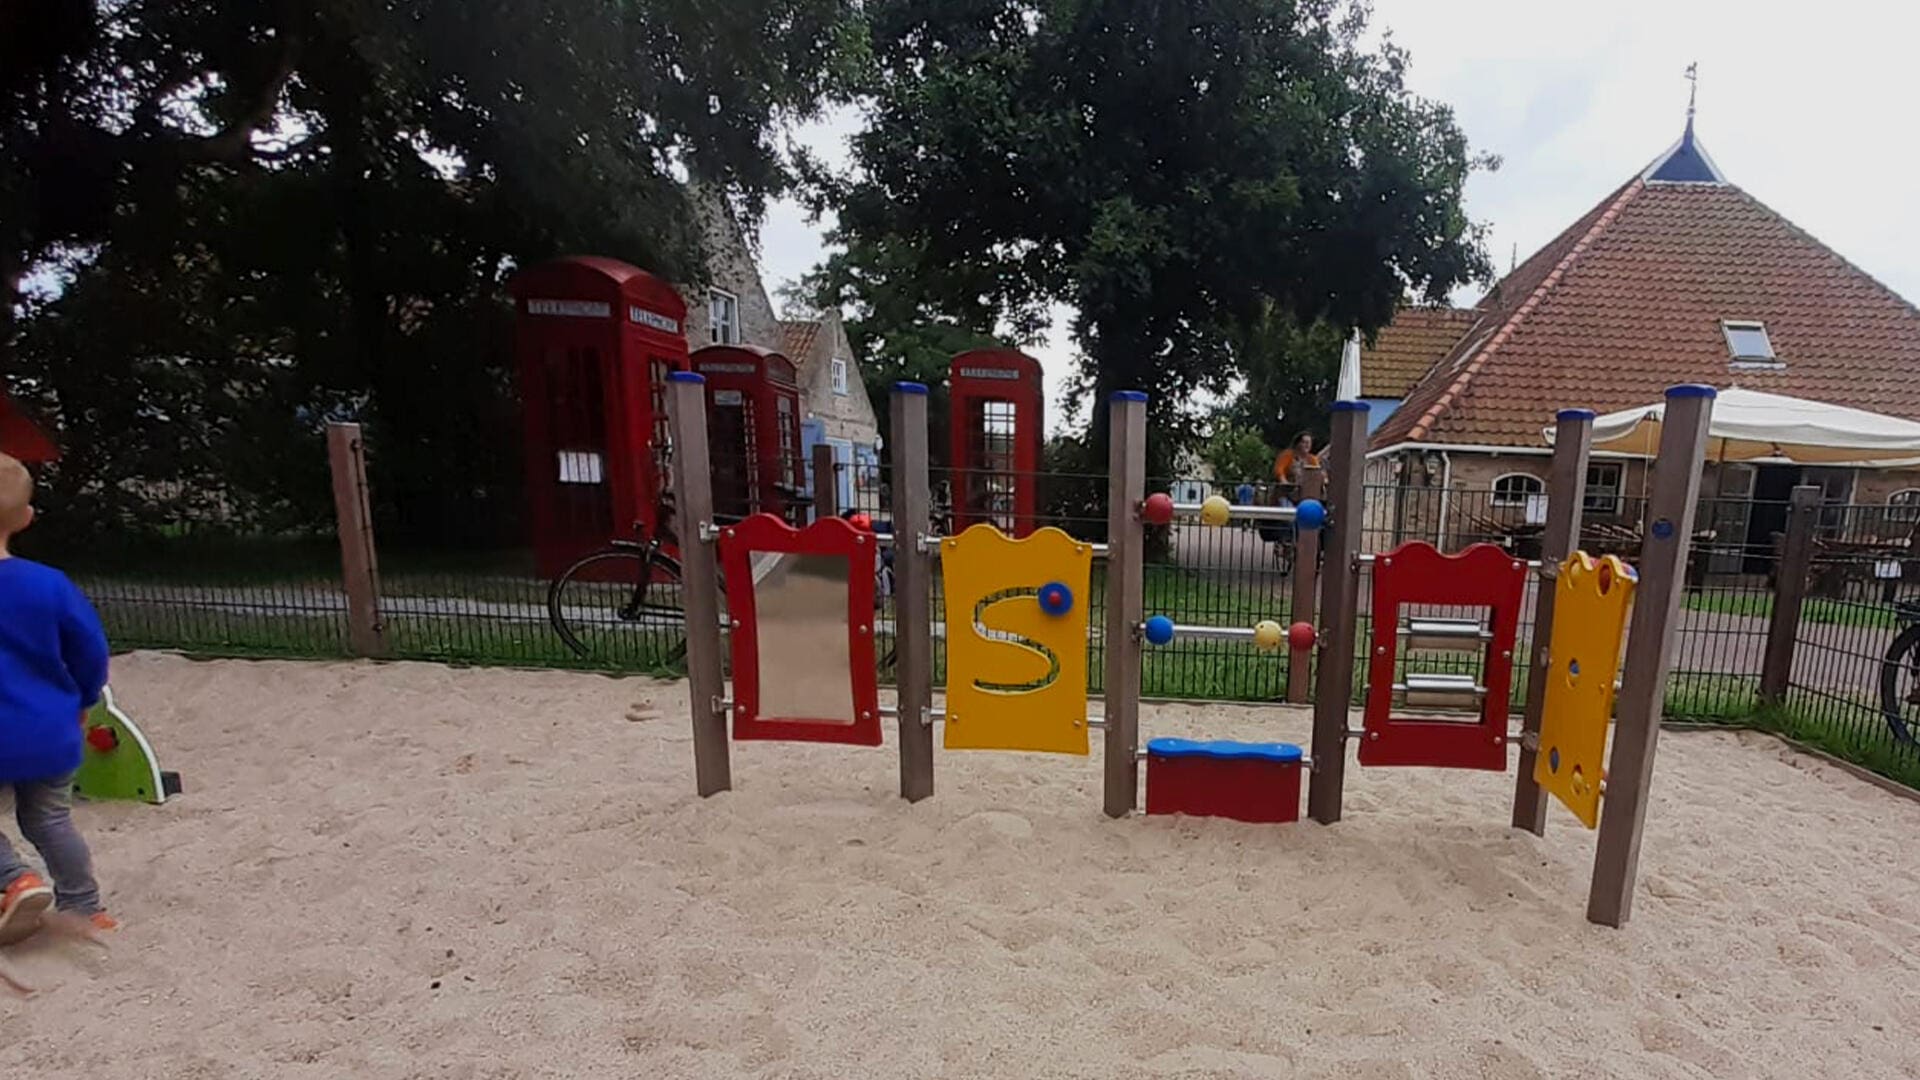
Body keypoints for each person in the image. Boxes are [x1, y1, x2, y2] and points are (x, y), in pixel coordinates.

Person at [0, 453, 115, 945]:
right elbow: (90, 648)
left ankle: (13, 880)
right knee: (48, 817)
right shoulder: (48, 585)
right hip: (50, 728)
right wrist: (86, 697)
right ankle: (84, 905)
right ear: (25, 518)